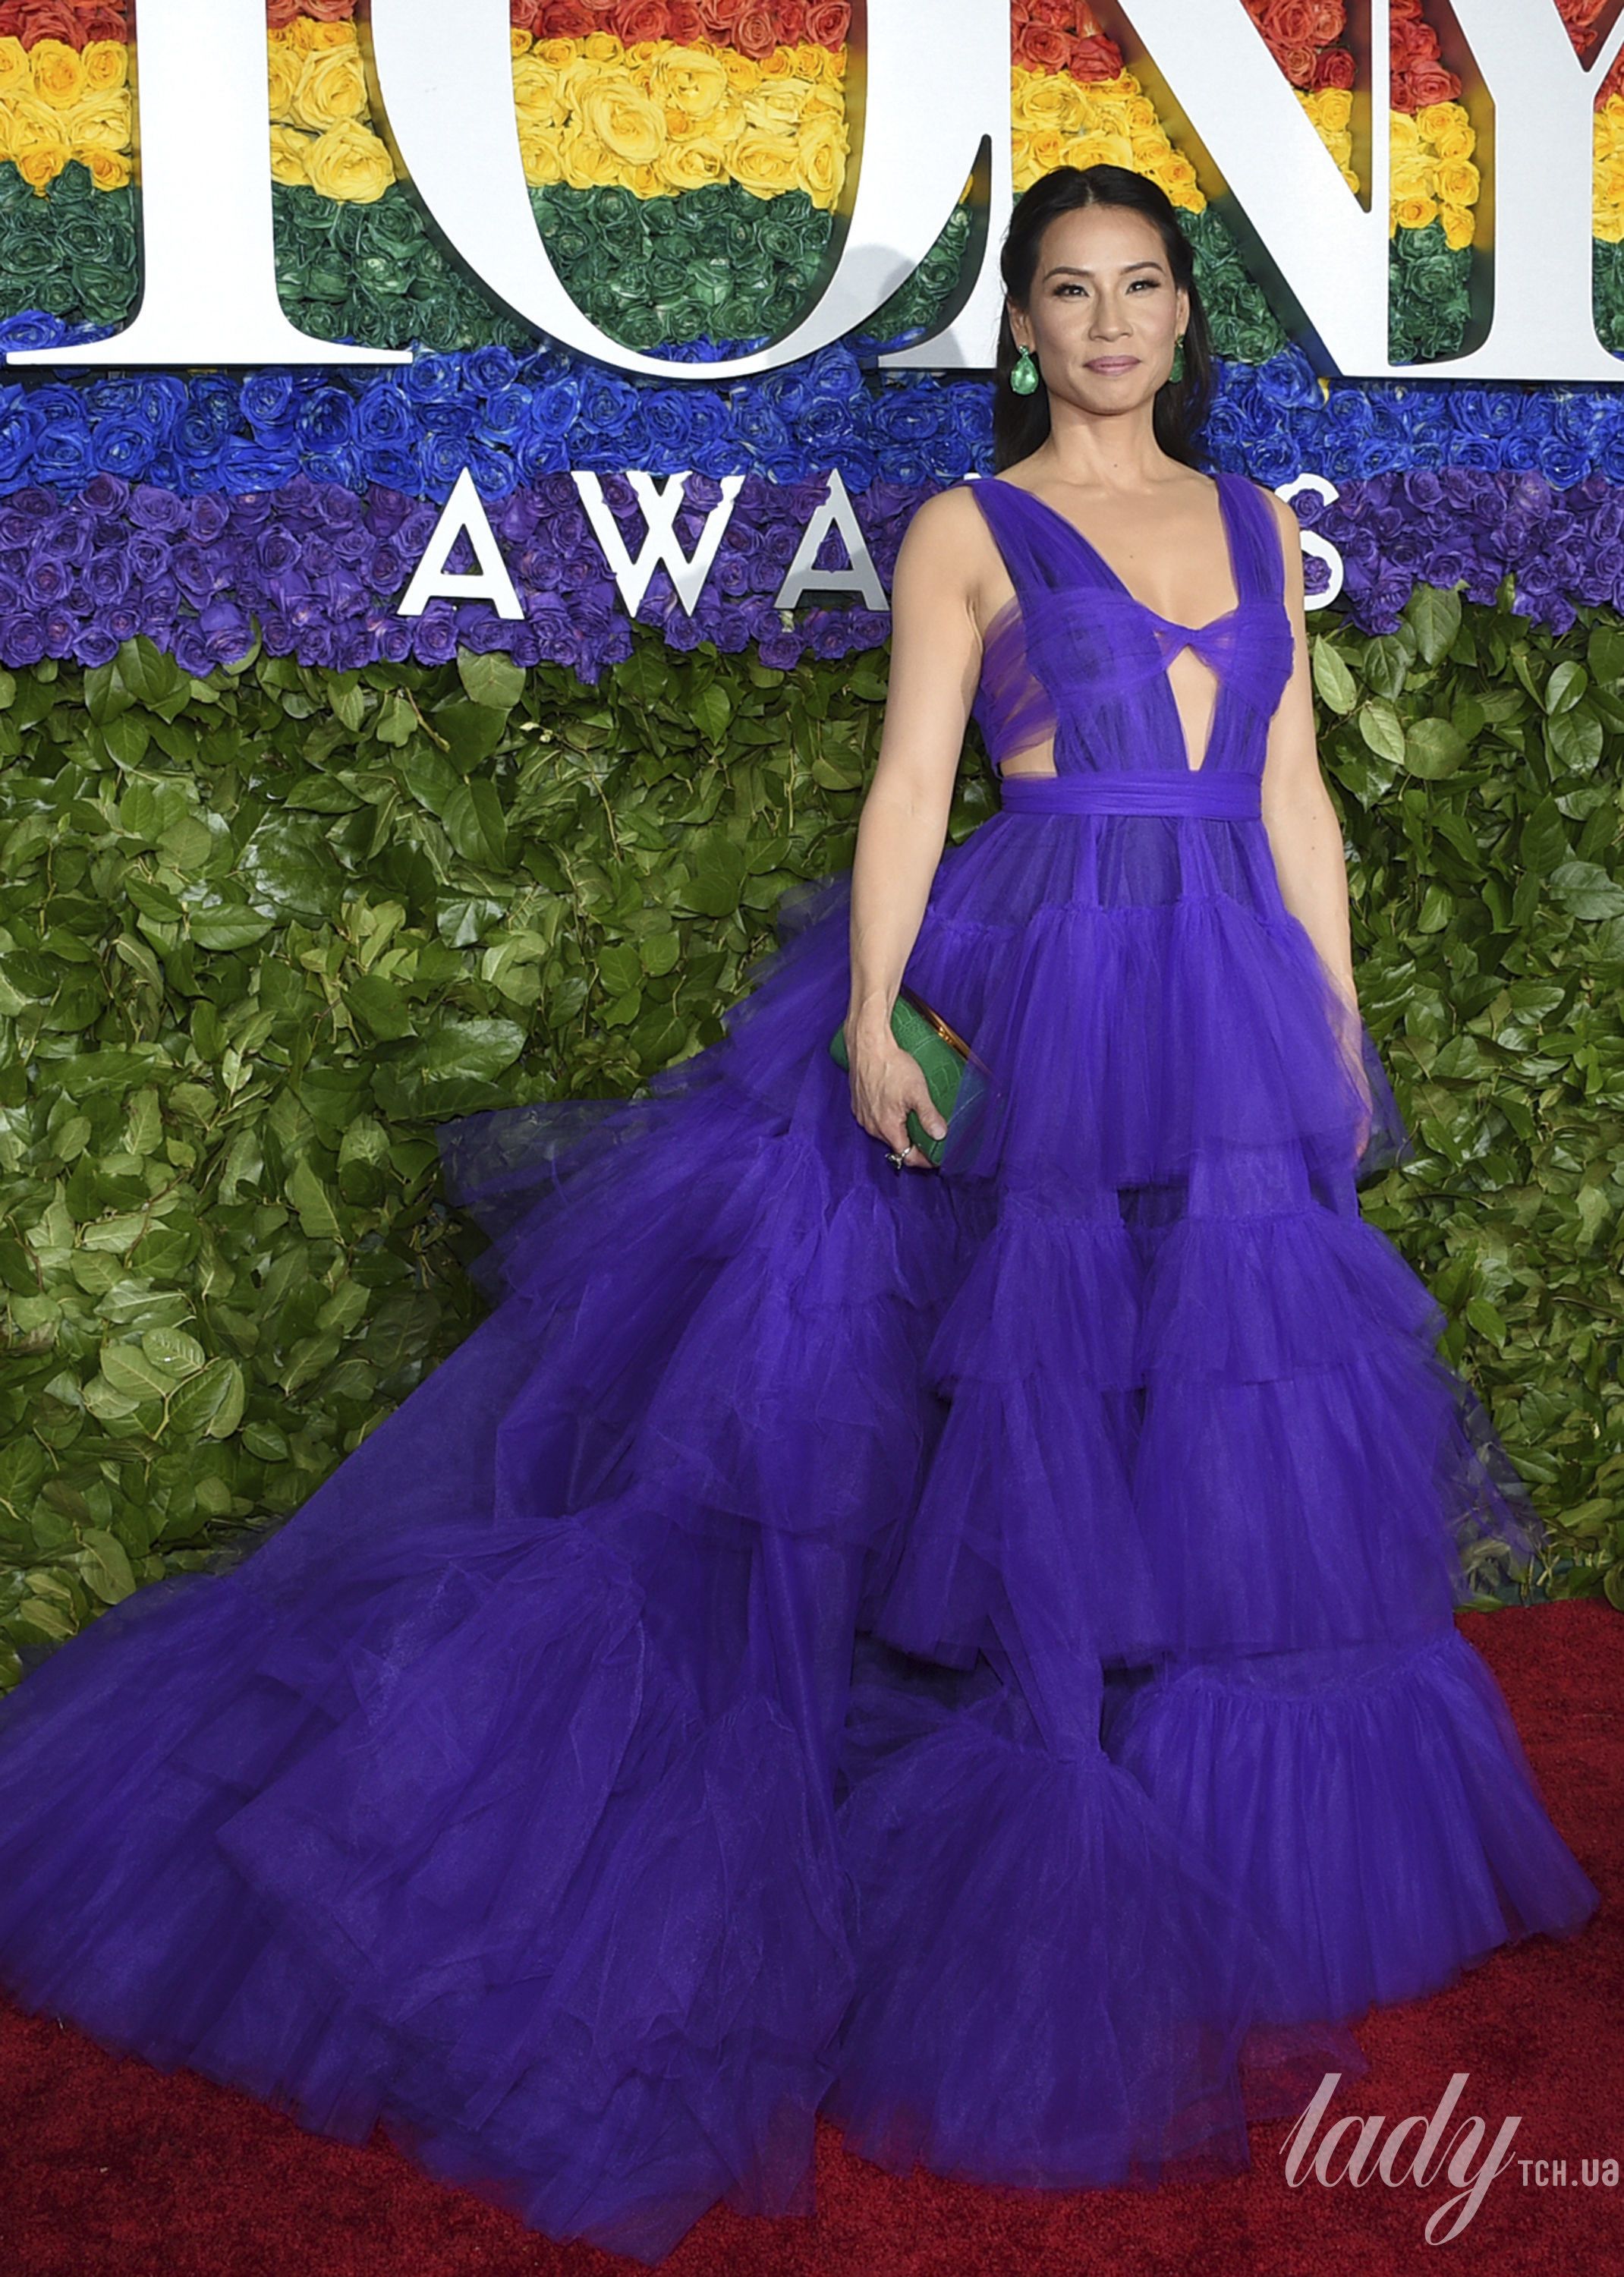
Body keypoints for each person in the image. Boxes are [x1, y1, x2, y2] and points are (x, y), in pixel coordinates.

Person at [0, 165, 1600, 2266]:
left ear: (1183, 316)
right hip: (1039, 977)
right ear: (1020, 328)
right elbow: (910, 788)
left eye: (1140, 287)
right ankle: (1041, 1787)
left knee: (1210, 1393)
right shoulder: (969, 529)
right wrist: (868, 1011)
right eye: (1068, 291)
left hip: (1223, 996)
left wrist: (1337, 1023)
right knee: (1016, 1383)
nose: (1108, 322)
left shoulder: (1245, 520)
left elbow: (1291, 788)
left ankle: (1218, 1833)